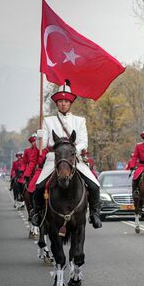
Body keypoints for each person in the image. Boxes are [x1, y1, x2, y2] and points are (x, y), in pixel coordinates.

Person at [30, 82, 102, 229]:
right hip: (54, 159)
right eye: (60, 101)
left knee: (95, 185)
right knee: (38, 186)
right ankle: (37, 213)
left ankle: (95, 213)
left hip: (74, 159)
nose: (63, 104)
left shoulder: (80, 121)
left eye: (66, 101)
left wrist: (71, 150)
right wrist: (40, 137)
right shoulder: (48, 121)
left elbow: (84, 142)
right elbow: (42, 147)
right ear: (57, 103)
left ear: (70, 103)